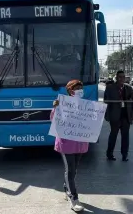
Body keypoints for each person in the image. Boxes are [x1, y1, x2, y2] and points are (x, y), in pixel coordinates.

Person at [52, 79, 88, 212]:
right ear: (70, 91)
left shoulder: (86, 105)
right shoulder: (62, 103)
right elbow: (54, 120)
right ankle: (74, 199)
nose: (80, 90)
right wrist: (55, 107)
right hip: (66, 143)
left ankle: (66, 188)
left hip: (80, 144)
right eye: (77, 88)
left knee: (74, 170)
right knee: (70, 170)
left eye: (81, 88)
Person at [104, 70, 133, 161]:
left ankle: (124, 155)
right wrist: (106, 115)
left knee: (125, 136)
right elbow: (106, 102)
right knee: (113, 135)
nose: (122, 79)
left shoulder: (129, 89)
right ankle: (109, 154)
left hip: (126, 116)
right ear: (116, 77)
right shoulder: (110, 88)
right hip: (114, 116)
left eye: (123, 77)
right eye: (120, 77)